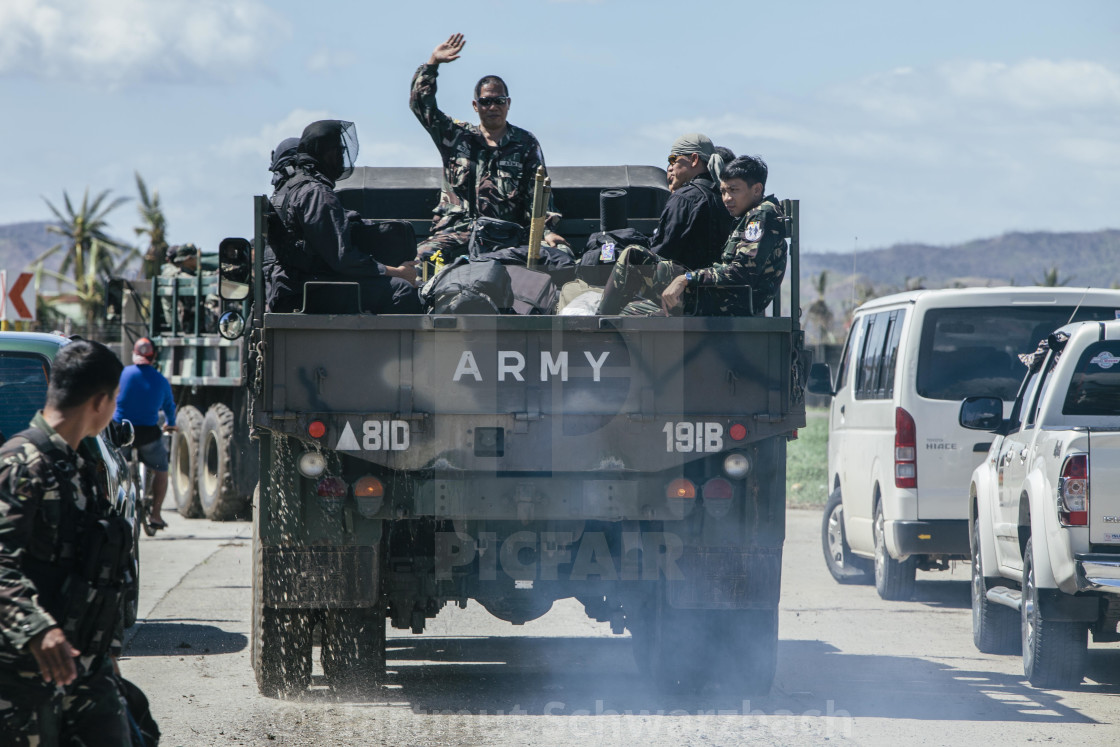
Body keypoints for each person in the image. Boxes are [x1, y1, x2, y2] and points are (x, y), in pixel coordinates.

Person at [0, 339, 133, 745]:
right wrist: (39, 630)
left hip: (84, 671)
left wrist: (106, 653)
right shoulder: (21, 463)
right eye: (114, 401)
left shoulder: (78, 465)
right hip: (25, 674)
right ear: (101, 402)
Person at [410, 33, 567, 262]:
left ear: (508, 104)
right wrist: (432, 64)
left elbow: (539, 195)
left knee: (559, 256)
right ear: (476, 106)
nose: (492, 106)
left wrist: (547, 232)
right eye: (485, 101)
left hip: (507, 235)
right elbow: (421, 105)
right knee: (419, 260)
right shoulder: (456, 136)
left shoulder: (525, 143)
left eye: (499, 101)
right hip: (457, 232)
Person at [264, 120, 421, 314]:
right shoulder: (316, 193)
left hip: (292, 289)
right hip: (305, 293)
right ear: (322, 151)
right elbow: (344, 258)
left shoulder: (294, 187)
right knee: (401, 290)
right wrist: (396, 272)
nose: (340, 156)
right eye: (336, 150)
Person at [599, 155, 785, 317]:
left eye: (734, 190)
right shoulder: (750, 214)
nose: (727, 198)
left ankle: (596, 324)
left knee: (634, 257)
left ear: (757, 189)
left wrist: (686, 278)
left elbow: (741, 272)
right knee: (632, 311)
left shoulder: (761, 215)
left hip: (729, 302)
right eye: (723, 191)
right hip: (724, 298)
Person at [114, 337, 177, 531]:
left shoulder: (122, 374)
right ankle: (156, 515)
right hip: (148, 434)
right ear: (154, 356)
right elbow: (169, 407)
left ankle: (113, 511)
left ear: (135, 354)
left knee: (114, 468)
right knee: (161, 469)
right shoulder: (160, 379)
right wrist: (170, 423)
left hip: (122, 433)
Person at [651, 133, 732, 269]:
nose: (671, 166)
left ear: (694, 159)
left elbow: (661, 252)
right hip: (717, 284)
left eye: (673, 159)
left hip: (684, 286)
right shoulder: (727, 198)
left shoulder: (684, 198)